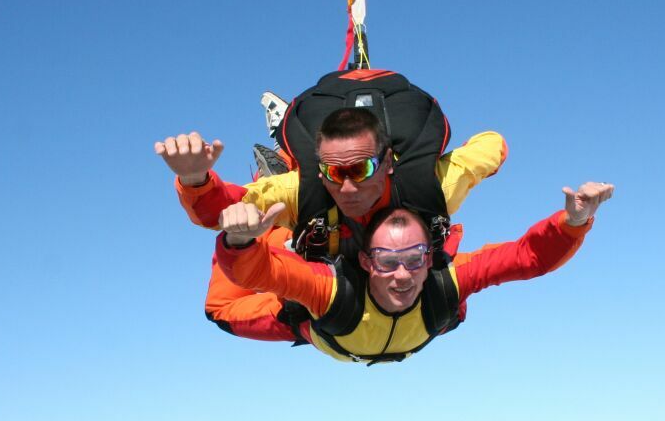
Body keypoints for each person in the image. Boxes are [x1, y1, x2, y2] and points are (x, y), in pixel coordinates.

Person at [156, 104, 507, 341]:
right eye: (336, 172)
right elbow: (493, 147)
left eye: (361, 169)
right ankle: (301, 163)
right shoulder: (434, 186)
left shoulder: (433, 185)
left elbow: (492, 148)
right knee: (283, 219)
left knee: (264, 252)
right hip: (331, 267)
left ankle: (294, 160)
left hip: (324, 291)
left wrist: (197, 182)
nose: (349, 185)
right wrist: (196, 179)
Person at [213, 181, 614, 363]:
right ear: (369, 264)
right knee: (224, 309)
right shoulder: (328, 292)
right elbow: (264, 275)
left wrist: (572, 222)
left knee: (231, 300)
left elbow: (527, 258)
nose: (402, 275)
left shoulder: (448, 281)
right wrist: (241, 242)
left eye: (415, 259)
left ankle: (292, 216)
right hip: (321, 323)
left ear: (429, 258)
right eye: (387, 262)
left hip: (339, 334)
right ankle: (286, 207)